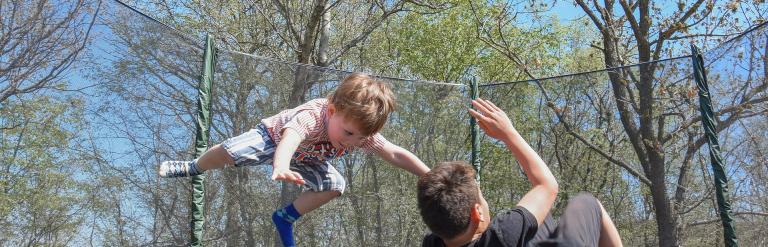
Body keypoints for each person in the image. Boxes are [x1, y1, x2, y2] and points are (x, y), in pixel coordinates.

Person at [158, 73, 430, 247]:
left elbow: (394, 152)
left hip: (308, 158)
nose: (351, 142)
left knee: (335, 184)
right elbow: (291, 137)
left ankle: (285, 217)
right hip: (273, 140)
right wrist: (281, 165)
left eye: (359, 138)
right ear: (333, 110)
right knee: (231, 152)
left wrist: (428, 175)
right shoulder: (313, 116)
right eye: (348, 133)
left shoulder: (359, 134)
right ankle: (193, 166)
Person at [417, 98, 623, 247]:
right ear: (477, 213)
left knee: (541, 220)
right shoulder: (502, 235)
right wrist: (508, 134)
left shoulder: (432, 243)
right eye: (481, 195)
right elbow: (547, 186)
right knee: (587, 204)